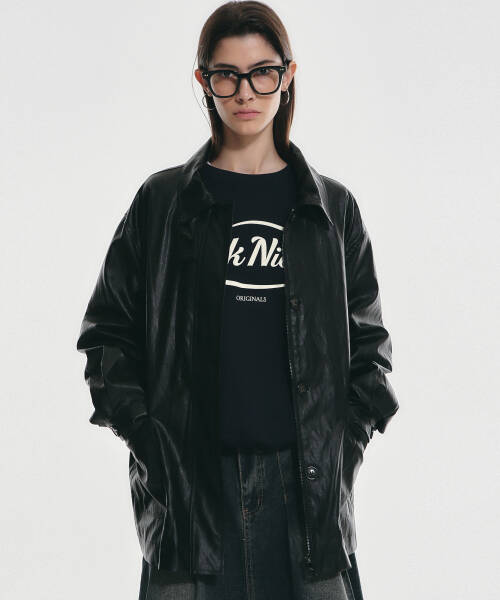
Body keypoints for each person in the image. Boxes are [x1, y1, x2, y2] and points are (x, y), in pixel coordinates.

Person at [76, 2, 399, 599]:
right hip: (192, 496)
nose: (245, 91)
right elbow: (106, 338)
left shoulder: (331, 211)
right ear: (204, 80)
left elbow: (371, 353)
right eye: (226, 74)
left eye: (262, 73)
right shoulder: (162, 204)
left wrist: (341, 452)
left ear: (288, 75)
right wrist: (153, 446)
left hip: (306, 499)